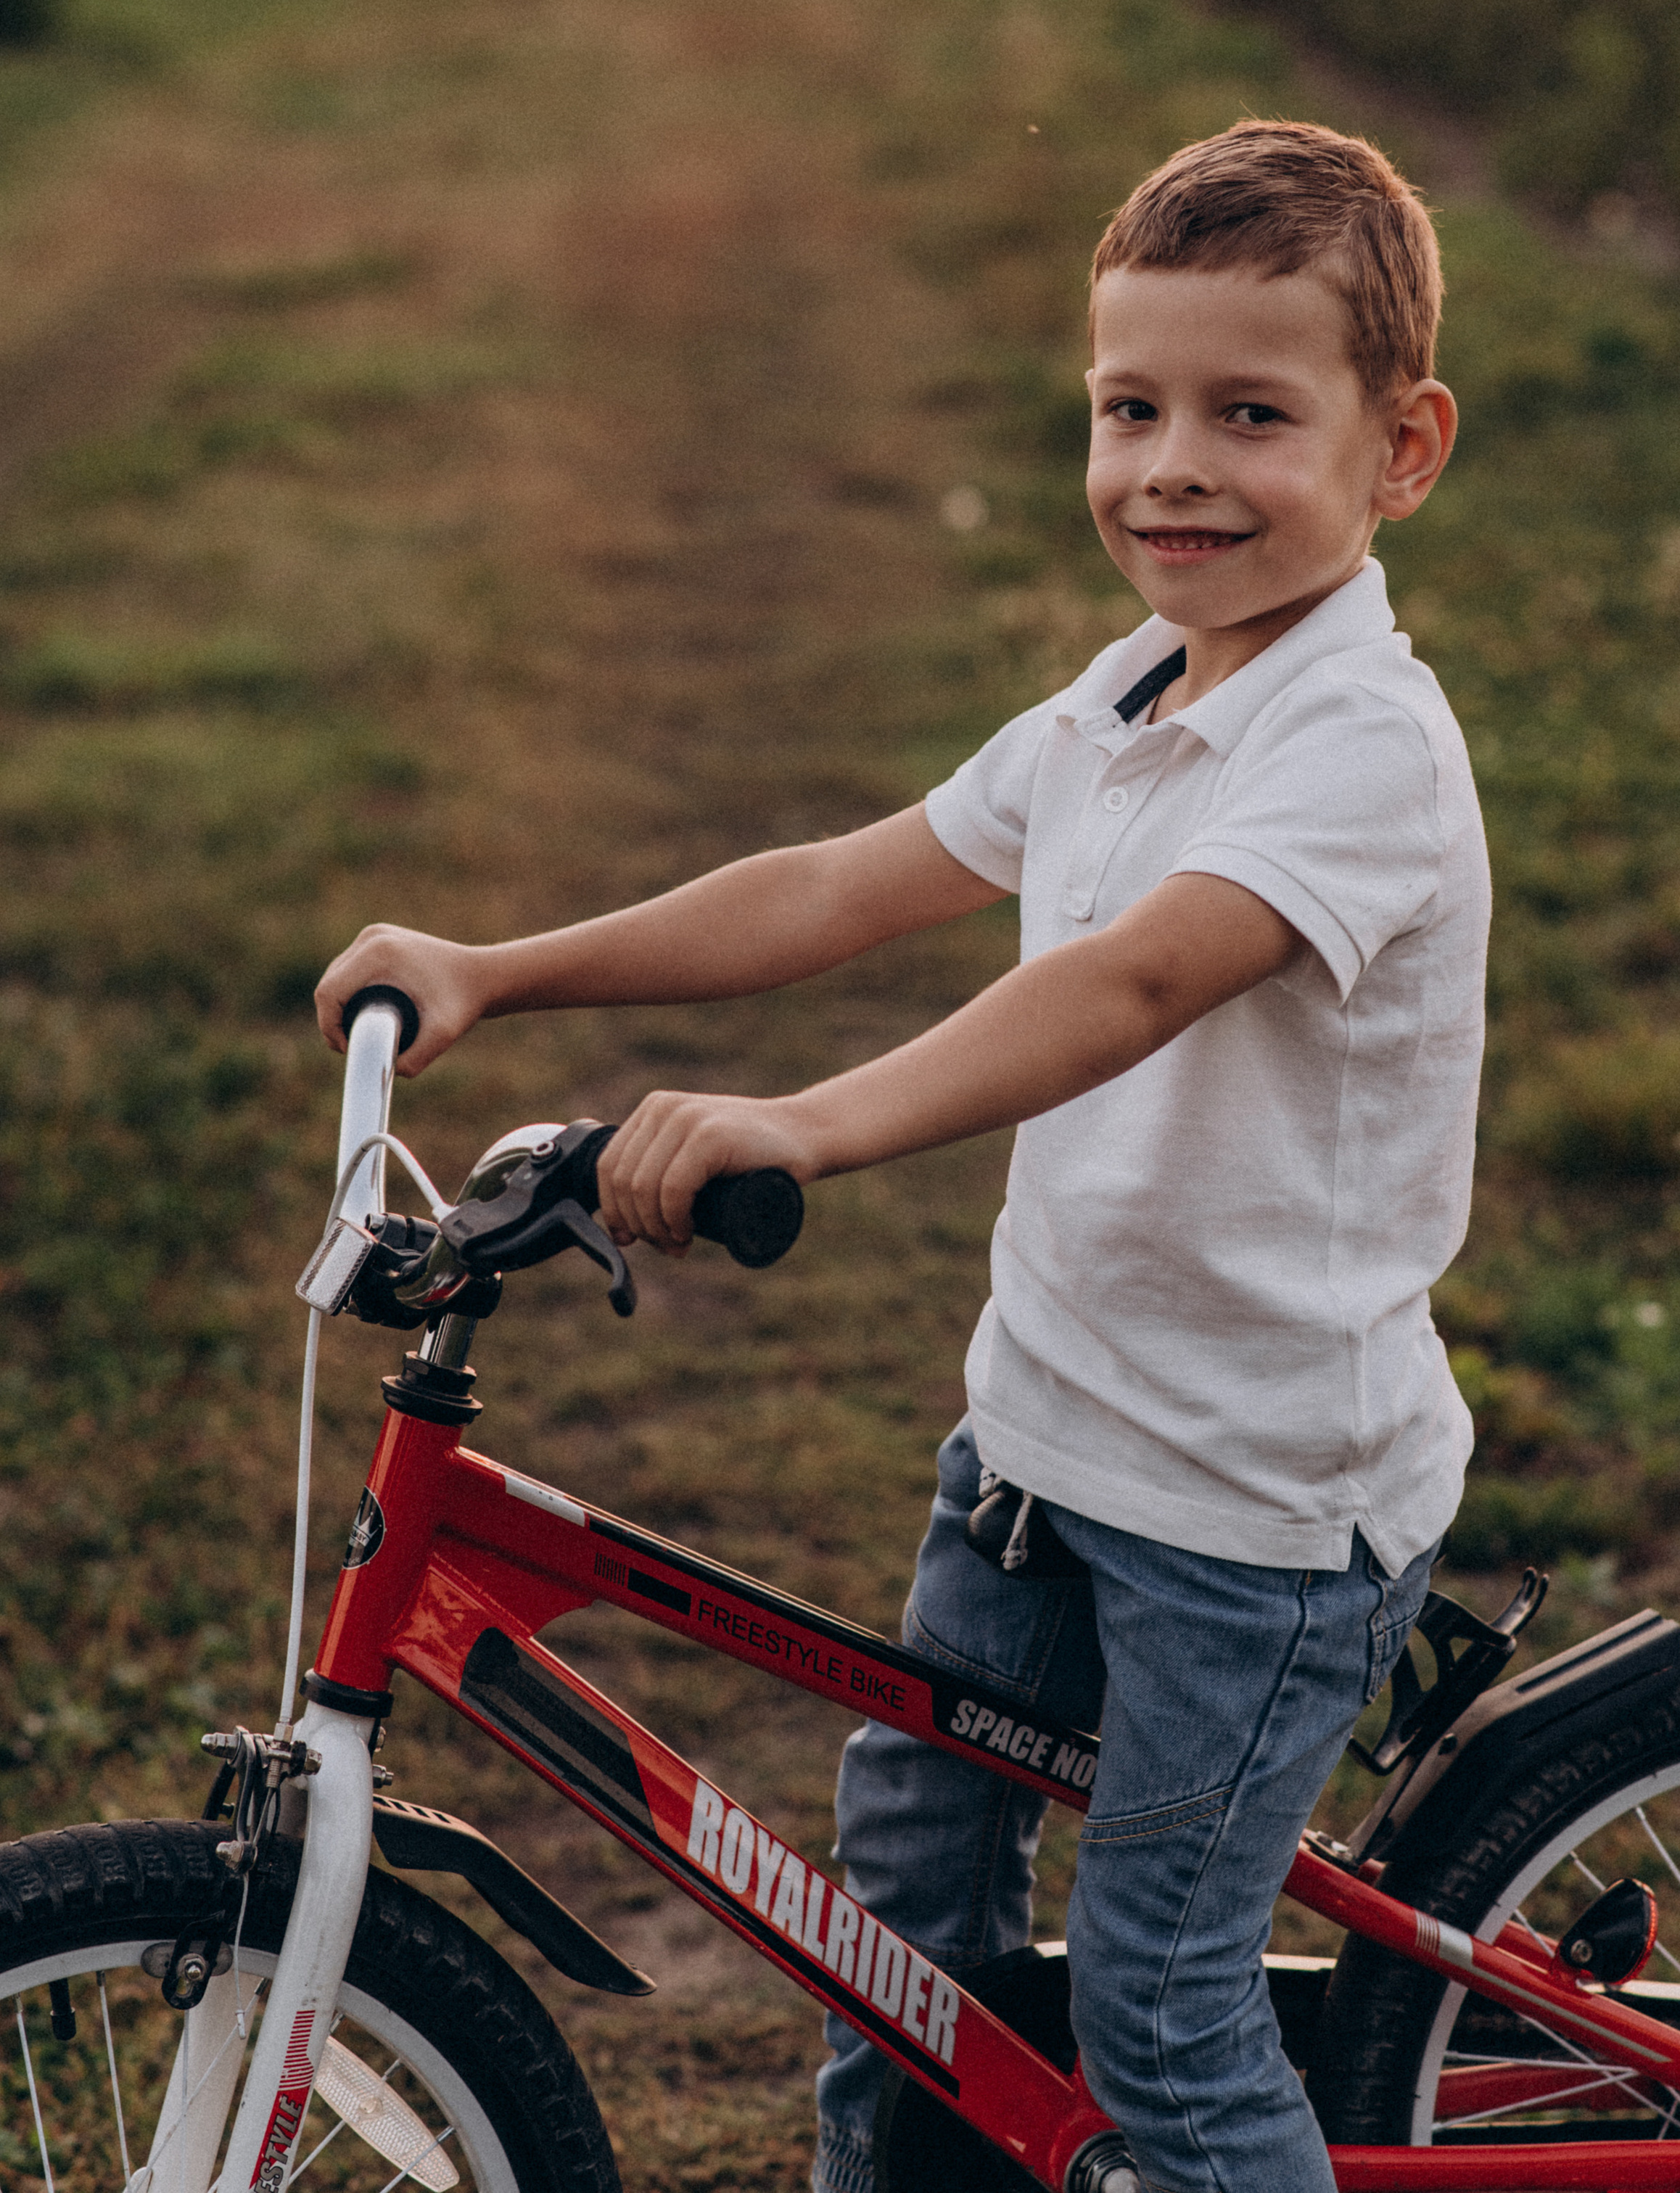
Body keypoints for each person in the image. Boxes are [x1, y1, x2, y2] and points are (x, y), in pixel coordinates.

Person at [316, 117, 1488, 2193]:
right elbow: (843, 883)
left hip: (1251, 1505)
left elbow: (1128, 988)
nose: (1171, 468)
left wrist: (805, 1122)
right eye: (1129, 408)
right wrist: (500, 969)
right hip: (1042, 1441)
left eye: (1250, 414)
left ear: (1402, 450)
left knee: (1160, 2013)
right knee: (891, 1941)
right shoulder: (1129, 693)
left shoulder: (1363, 748)